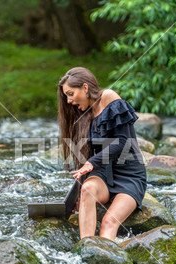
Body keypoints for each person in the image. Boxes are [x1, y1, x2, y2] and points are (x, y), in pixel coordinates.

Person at [57, 67, 147, 240]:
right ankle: (86, 249)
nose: (68, 101)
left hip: (129, 177)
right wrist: (78, 193)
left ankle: (103, 257)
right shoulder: (83, 114)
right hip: (103, 176)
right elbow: (88, 154)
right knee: (88, 189)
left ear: (85, 87)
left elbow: (123, 142)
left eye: (70, 94)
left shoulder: (109, 98)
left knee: (107, 222)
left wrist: (91, 162)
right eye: (66, 96)